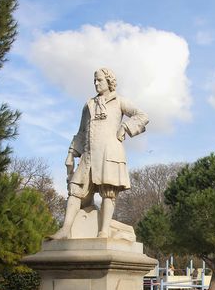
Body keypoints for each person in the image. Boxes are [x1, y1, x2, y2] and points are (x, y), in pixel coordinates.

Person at [50, 67, 149, 239]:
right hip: (88, 155)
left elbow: (142, 116)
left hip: (109, 153)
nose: (96, 83)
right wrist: (71, 153)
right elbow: (81, 131)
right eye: (94, 80)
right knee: (75, 190)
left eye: (100, 80)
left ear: (109, 81)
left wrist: (125, 127)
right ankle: (65, 229)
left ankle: (103, 231)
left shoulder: (119, 101)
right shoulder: (88, 104)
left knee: (108, 193)